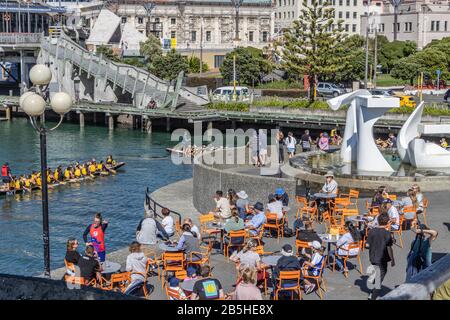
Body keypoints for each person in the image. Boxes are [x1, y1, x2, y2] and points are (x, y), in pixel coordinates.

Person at [366, 213, 395, 300]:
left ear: (378, 221)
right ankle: (373, 297)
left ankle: (373, 291)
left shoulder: (372, 231)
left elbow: (367, 245)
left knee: (378, 274)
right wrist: (392, 259)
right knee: (379, 278)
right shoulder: (387, 234)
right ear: (387, 222)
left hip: (373, 257)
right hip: (382, 259)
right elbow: (389, 246)